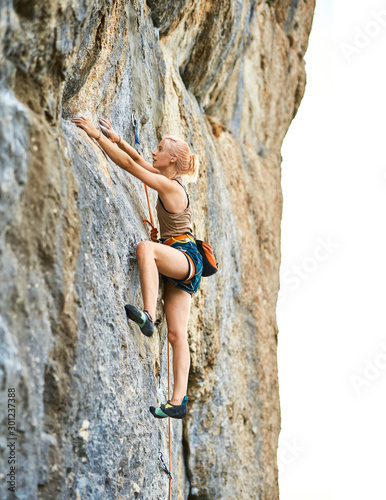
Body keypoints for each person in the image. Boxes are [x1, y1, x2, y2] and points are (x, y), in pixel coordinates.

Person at [71, 115, 203, 419]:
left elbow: (133, 167)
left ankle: (147, 314)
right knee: (175, 336)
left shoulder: (171, 188)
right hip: (179, 259)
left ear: (172, 159)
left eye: (159, 149)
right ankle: (178, 401)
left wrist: (96, 137)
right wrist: (118, 140)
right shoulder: (169, 180)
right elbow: (140, 160)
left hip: (183, 256)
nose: (154, 152)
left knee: (145, 248)